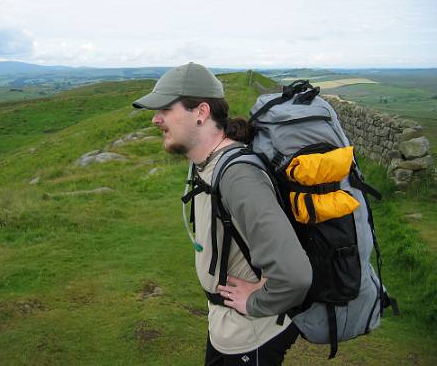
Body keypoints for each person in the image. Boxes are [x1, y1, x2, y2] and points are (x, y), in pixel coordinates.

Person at [132, 62, 312, 365]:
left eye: (165, 108)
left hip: (251, 334)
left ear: (201, 112)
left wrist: (256, 302)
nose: (155, 119)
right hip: (226, 325)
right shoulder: (206, 164)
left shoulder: (238, 177)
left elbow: (296, 277)